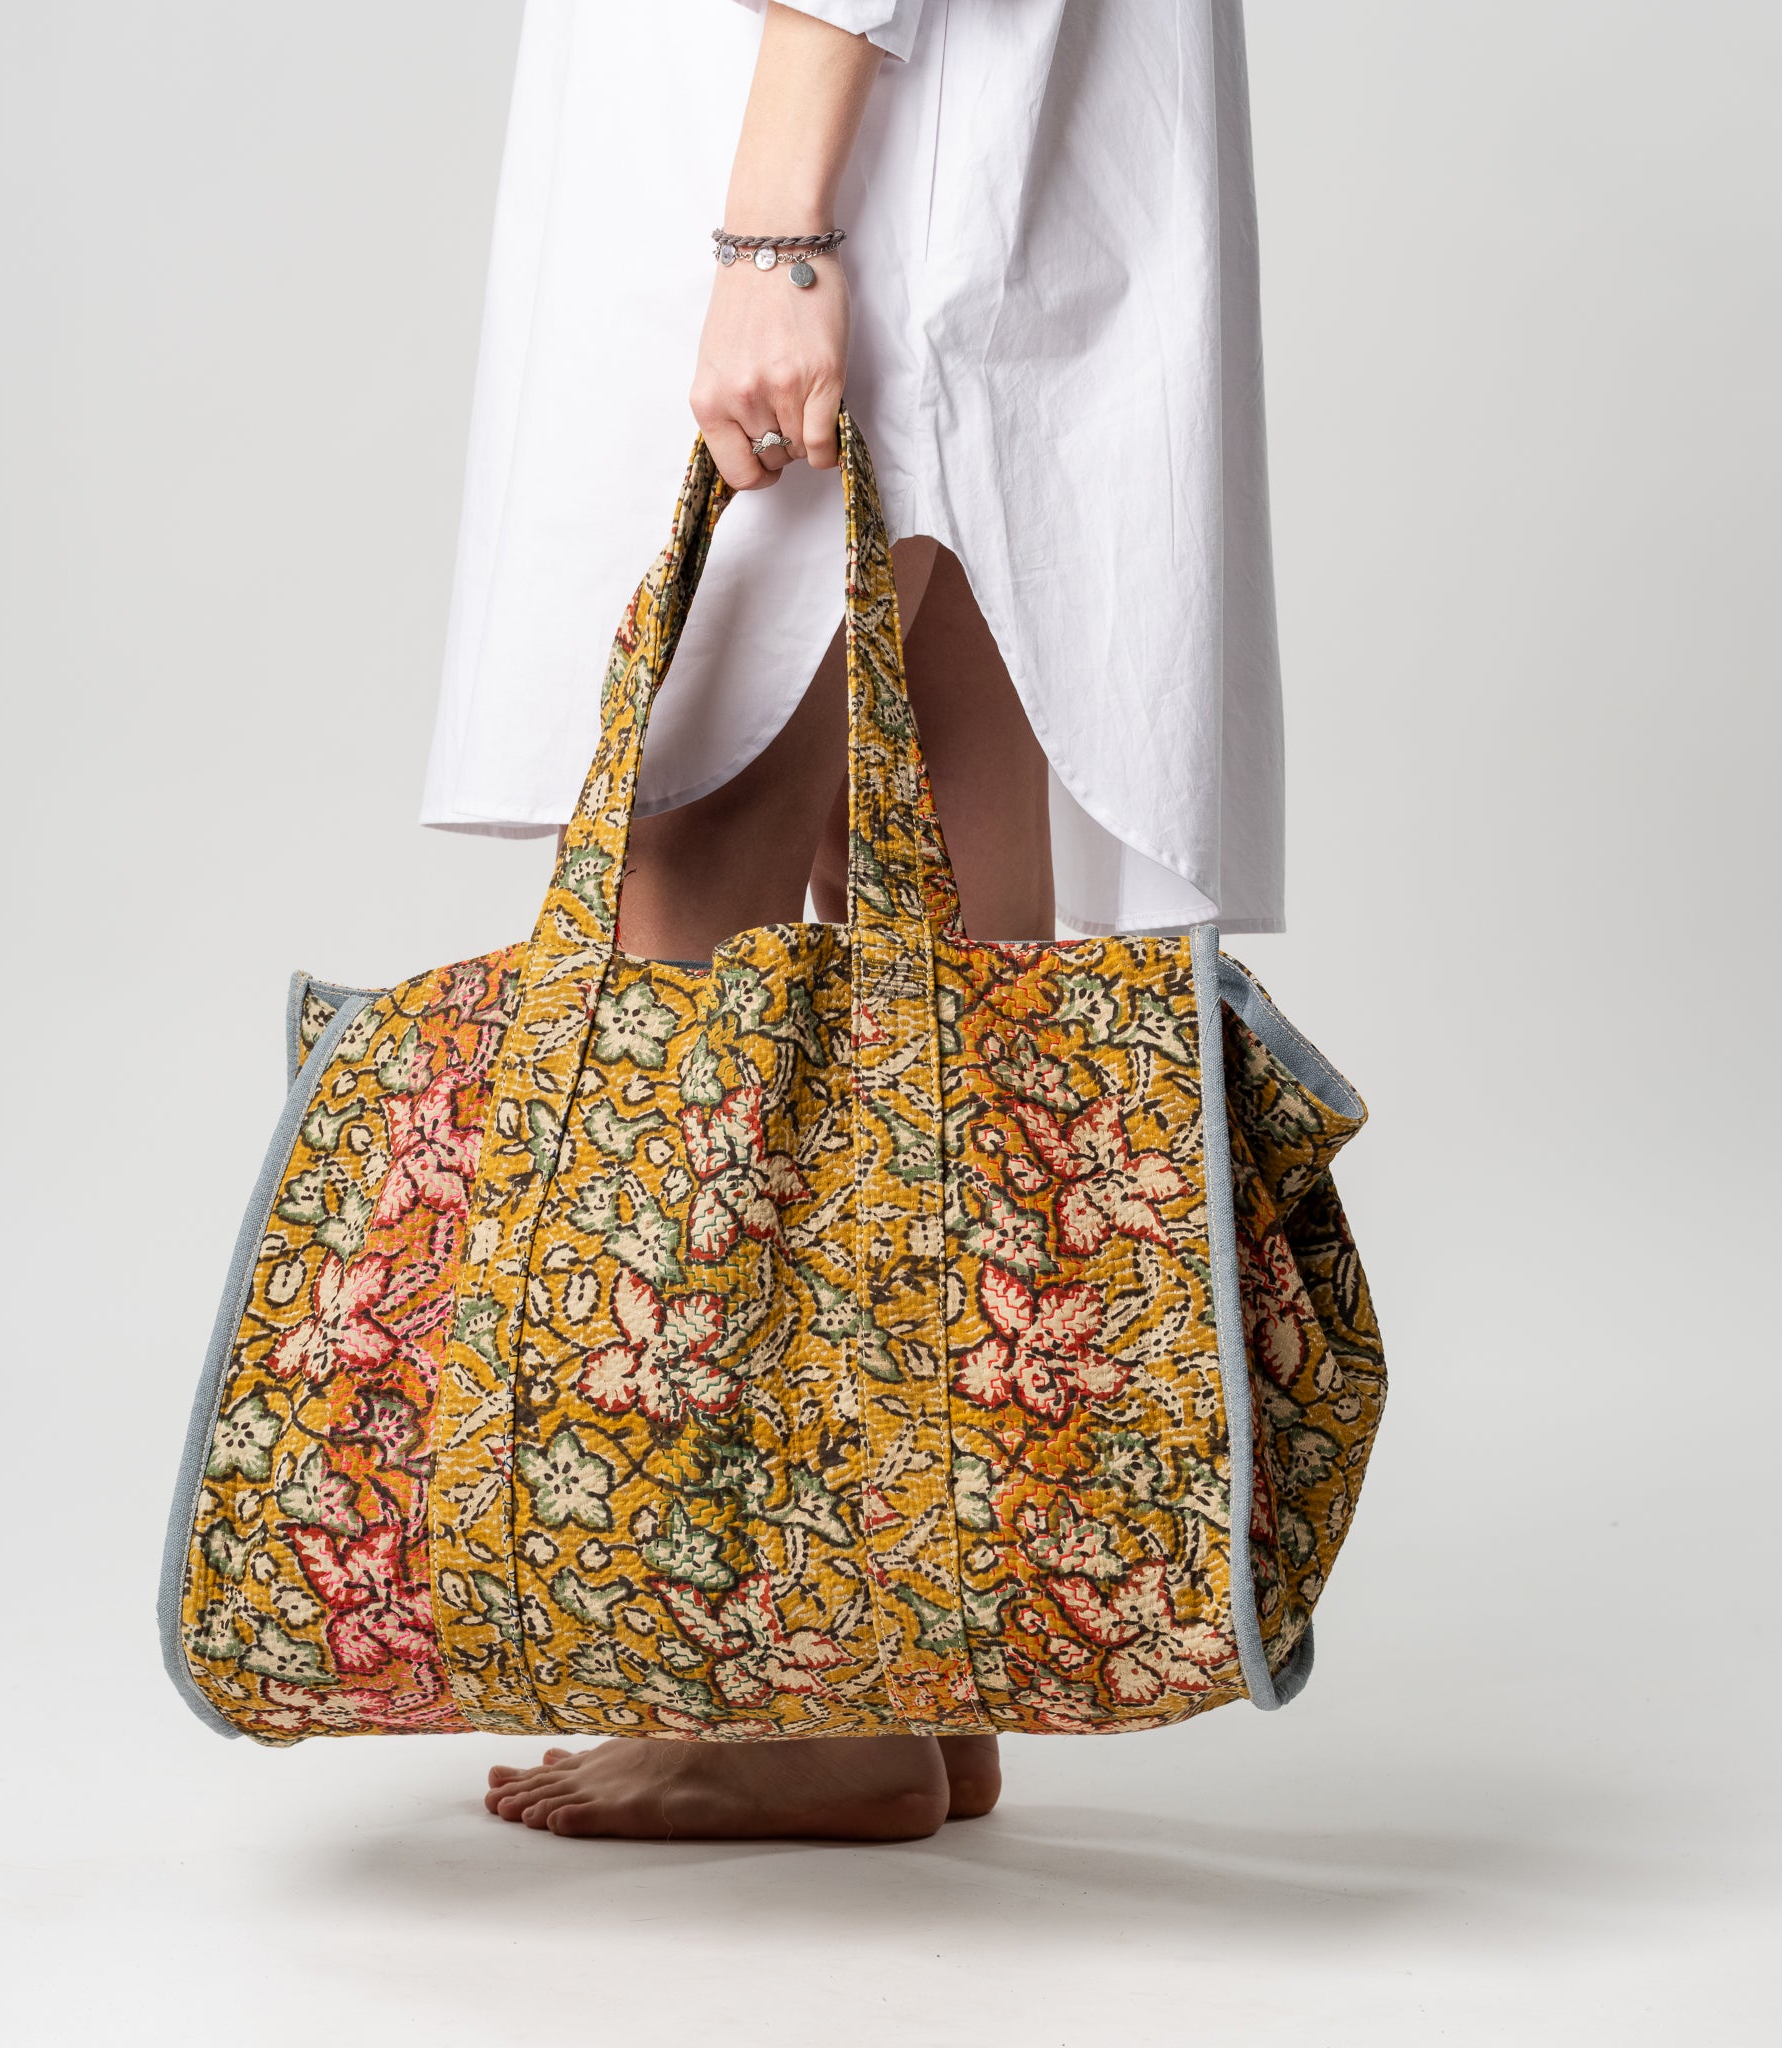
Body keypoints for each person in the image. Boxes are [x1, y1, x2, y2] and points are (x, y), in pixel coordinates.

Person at [426, 0, 1286, 1841]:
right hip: (972, 144)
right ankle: (921, 1652)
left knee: (691, 868)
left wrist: (775, 226)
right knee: (958, 927)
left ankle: (792, 1708)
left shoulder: (794, 213)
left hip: (847, 155)